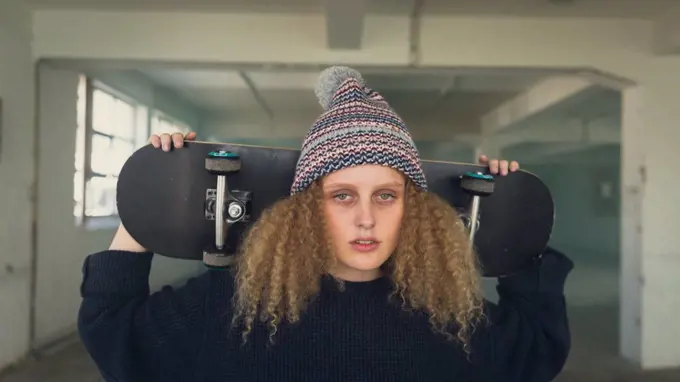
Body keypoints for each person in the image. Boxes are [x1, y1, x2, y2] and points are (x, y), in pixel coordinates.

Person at [78, 66, 573, 382]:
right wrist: (153, 195)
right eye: (341, 196)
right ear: (308, 209)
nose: (365, 218)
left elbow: (535, 352)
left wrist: (510, 216)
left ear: (414, 210)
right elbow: (116, 336)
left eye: (386, 195)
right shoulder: (234, 306)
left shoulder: (451, 314)